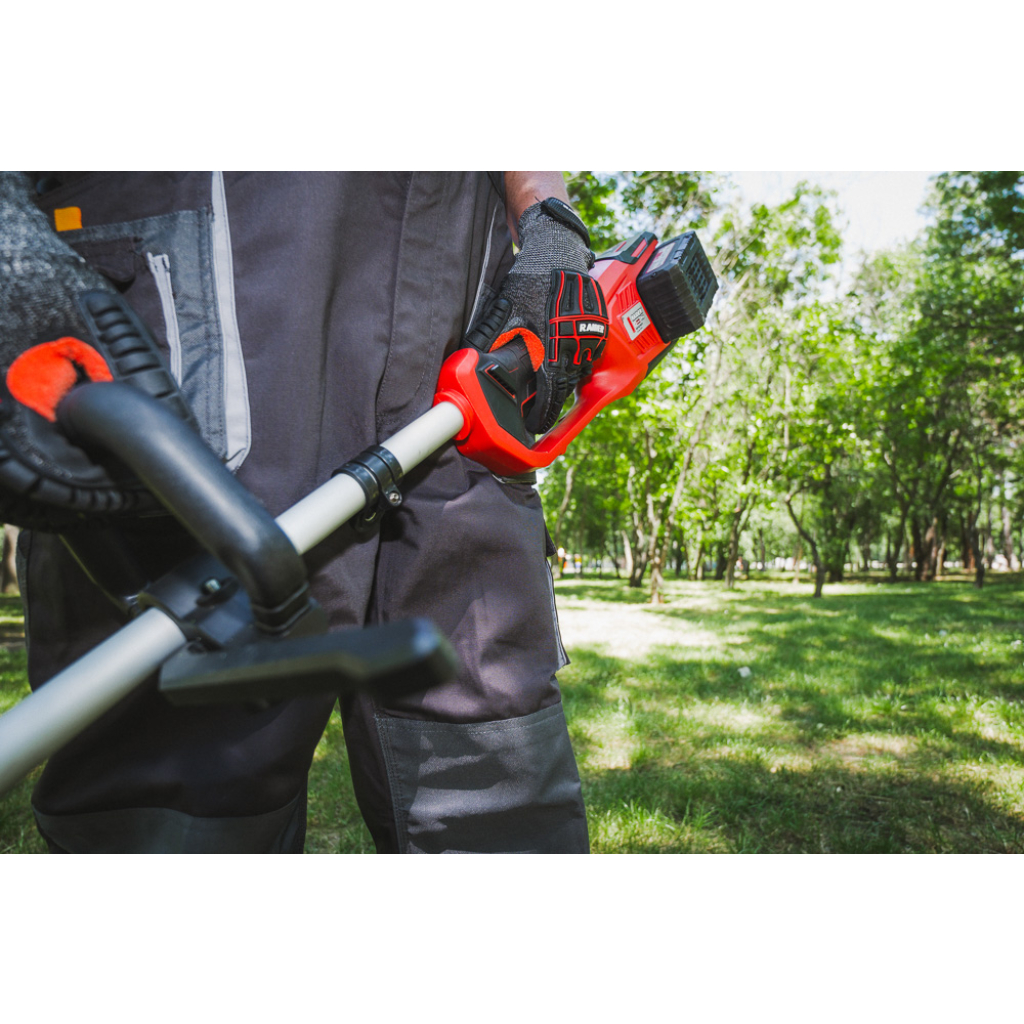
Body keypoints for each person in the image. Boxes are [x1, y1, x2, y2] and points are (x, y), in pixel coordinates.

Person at [0, 171, 593, 853]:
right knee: (184, 780)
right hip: (215, 269)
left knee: (494, 741)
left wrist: (546, 214)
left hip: (466, 312)